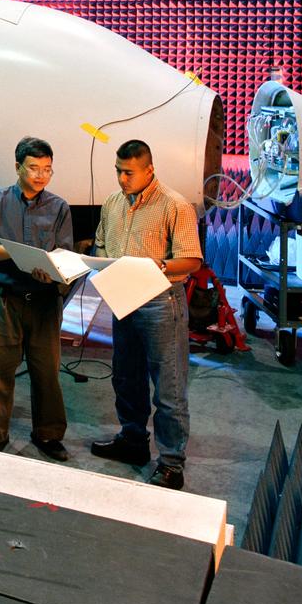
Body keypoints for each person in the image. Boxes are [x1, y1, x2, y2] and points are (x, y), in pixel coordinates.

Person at [89, 139, 203, 489]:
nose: (122, 179)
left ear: (148, 169)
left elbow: (192, 260)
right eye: (118, 172)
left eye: (129, 173)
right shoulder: (112, 203)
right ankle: (134, 441)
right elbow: (102, 245)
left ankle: (171, 463)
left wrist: (162, 264)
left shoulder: (175, 205)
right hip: (123, 298)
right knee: (126, 377)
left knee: (167, 387)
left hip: (159, 302)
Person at [0, 136, 72, 461]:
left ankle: (49, 434)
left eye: (47, 170)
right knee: (1, 369)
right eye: (33, 168)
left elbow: (66, 255)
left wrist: (52, 268)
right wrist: (18, 255)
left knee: (47, 372)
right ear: (17, 167)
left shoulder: (59, 207)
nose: (41, 175)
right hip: (6, 299)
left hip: (44, 302)